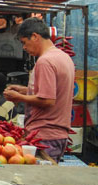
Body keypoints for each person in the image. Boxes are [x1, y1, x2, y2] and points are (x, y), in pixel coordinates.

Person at [4, 18, 75, 162]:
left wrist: (19, 98)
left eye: (24, 42)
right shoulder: (64, 57)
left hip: (45, 134)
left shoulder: (45, 61)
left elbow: (48, 100)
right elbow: (52, 91)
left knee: (43, 181)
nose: (24, 47)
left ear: (35, 36)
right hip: (57, 134)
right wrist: (24, 90)